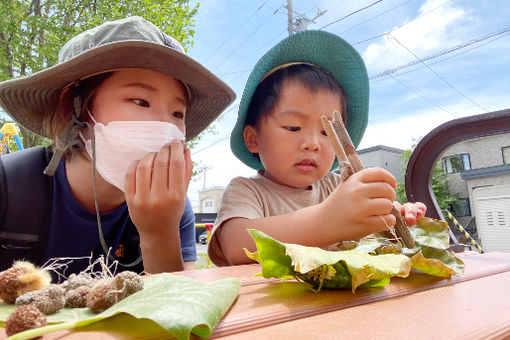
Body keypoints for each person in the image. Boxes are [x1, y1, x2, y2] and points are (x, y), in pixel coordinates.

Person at [0, 16, 235, 275]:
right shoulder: (8, 187)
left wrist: (160, 233)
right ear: (73, 108)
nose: (164, 127)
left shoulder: (173, 208)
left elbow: (176, 309)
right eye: (140, 101)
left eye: (177, 114)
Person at [208, 30, 426, 266]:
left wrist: (393, 214)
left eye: (326, 132)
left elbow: (373, 226)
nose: (312, 143)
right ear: (253, 139)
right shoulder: (247, 191)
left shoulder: (337, 185)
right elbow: (234, 245)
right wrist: (326, 220)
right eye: (293, 127)